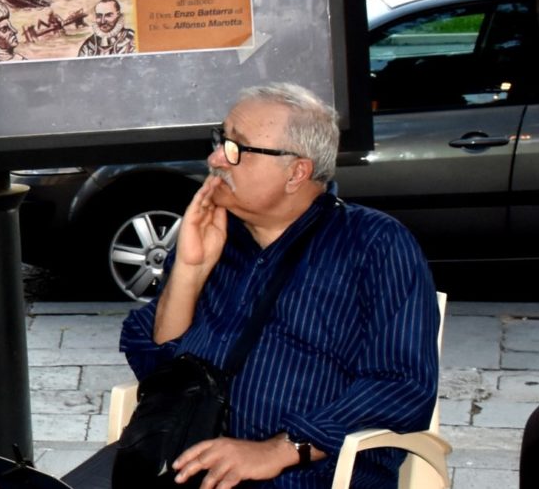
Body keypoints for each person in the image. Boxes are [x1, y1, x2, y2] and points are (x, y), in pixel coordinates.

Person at [61, 83, 440, 488]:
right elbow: (158, 368)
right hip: (183, 462)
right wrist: (190, 269)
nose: (214, 159)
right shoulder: (217, 235)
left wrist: (278, 450)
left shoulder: (373, 243)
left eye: (236, 149)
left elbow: (402, 383)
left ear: (296, 172)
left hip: (307, 475)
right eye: (220, 140)